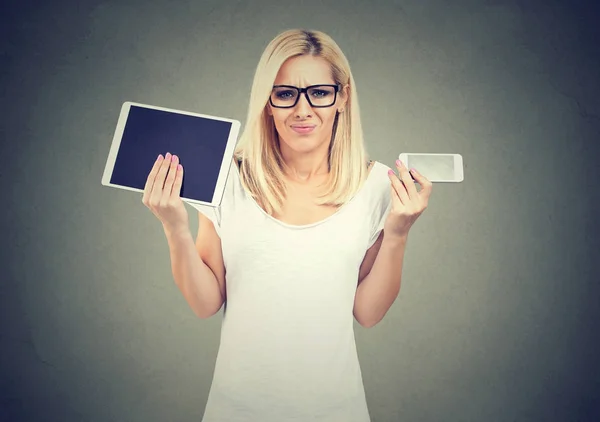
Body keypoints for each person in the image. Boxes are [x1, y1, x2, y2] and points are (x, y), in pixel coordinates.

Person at [142, 29, 432, 422]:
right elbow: (205, 302)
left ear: (343, 97)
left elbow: (367, 312)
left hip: (335, 410)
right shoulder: (227, 178)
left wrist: (398, 233)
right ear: (267, 102)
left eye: (319, 93)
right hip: (237, 409)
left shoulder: (377, 185)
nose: (303, 110)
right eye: (285, 94)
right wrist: (174, 228)